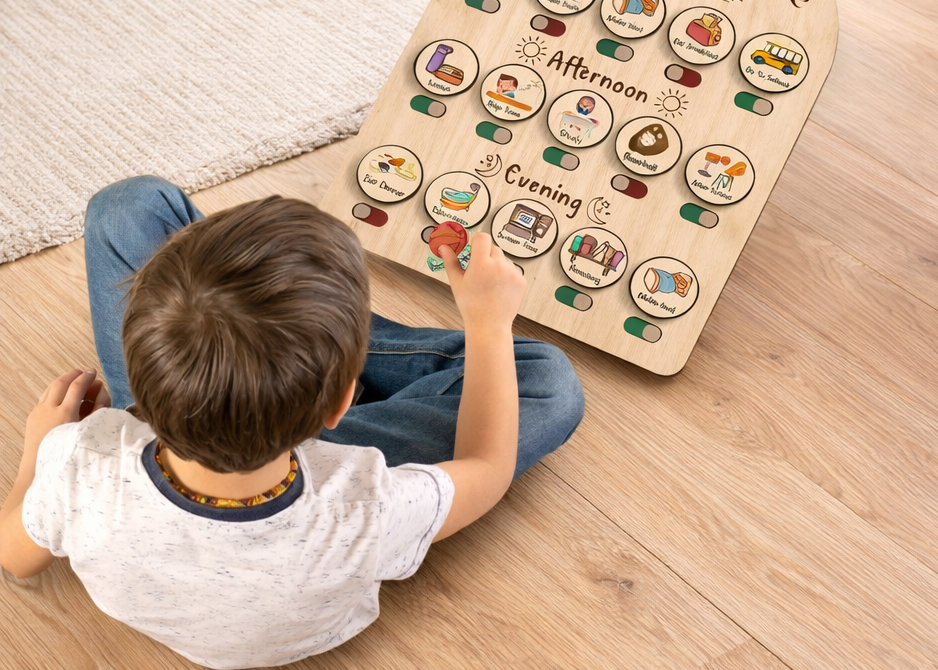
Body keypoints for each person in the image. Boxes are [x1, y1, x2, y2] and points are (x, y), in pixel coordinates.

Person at [0, 177, 584, 669]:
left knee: (128, 206)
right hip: (305, 472)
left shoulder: (79, 461)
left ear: (137, 353)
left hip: (176, 414)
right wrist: (488, 323)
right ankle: (320, 347)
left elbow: (16, 556)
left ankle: (304, 342)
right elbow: (489, 465)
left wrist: (40, 450)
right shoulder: (368, 506)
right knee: (547, 378)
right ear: (340, 408)